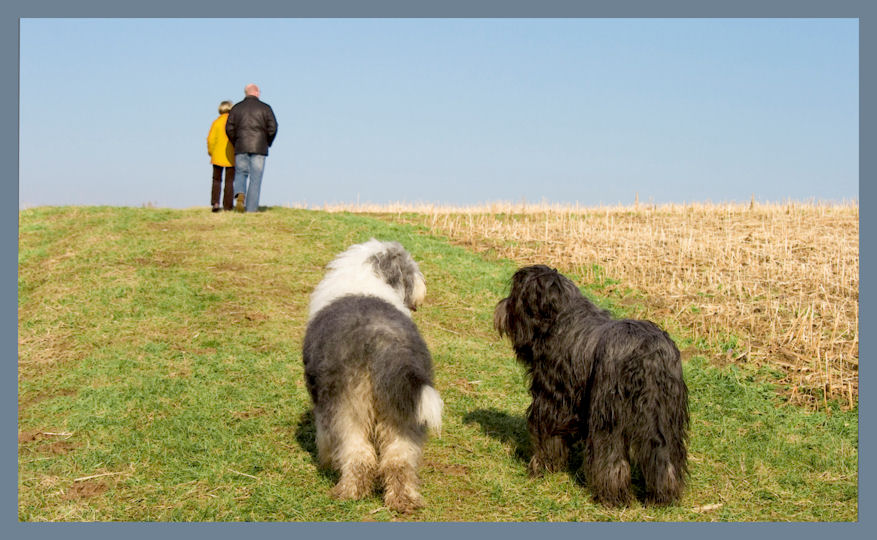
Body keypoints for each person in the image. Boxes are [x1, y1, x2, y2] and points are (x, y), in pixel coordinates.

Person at [225, 84, 278, 212]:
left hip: (241, 145)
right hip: (259, 147)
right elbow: (273, 127)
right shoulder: (265, 108)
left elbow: (229, 128)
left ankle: (240, 193)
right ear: (257, 92)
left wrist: (235, 141)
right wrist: (267, 142)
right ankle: (251, 209)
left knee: (240, 173)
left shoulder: (236, 108)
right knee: (256, 178)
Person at [206, 100, 236, 212]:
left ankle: (215, 203)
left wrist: (211, 152)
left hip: (217, 156)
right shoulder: (234, 123)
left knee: (216, 180)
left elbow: (210, 140)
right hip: (231, 156)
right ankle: (228, 206)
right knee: (229, 182)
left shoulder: (216, 123)